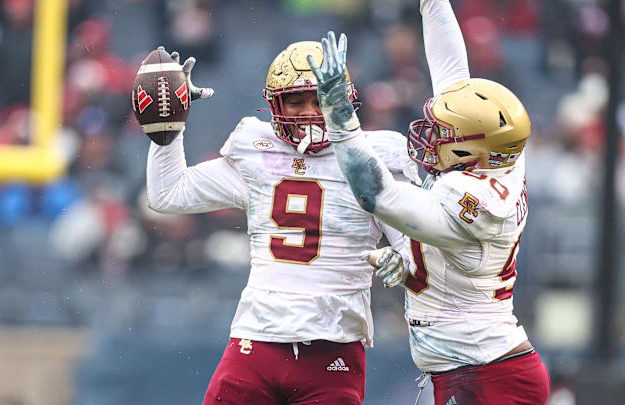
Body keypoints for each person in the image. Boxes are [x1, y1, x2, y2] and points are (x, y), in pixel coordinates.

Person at [143, 41, 415, 404]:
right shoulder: (258, 152)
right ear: (276, 105)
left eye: (319, 99)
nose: (308, 112)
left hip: (334, 348)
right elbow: (168, 194)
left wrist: (406, 259)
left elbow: (415, 252)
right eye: (296, 101)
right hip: (256, 341)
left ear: (342, 100)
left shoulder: (375, 157)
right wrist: (168, 129)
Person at [307, 0, 551, 403]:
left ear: (471, 150)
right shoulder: (499, 154)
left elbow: (375, 194)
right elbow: (454, 74)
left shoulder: (473, 203)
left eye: (444, 135)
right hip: (474, 366)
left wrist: (339, 117)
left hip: (487, 373)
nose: (432, 137)